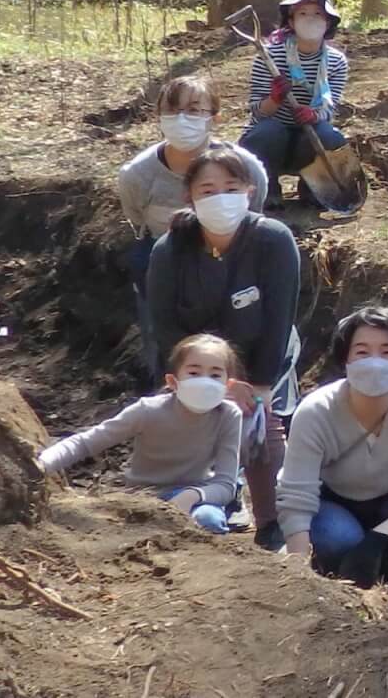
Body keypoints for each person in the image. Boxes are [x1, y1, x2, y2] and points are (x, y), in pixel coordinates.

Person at [145, 149, 302, 548]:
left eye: (231, 188)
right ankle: (199, 502)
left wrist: (260, 385)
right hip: (195, 362)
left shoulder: (273, 240)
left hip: (263, 355)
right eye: (208, 189)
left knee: (263, 426)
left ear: (250, 191)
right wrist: (209, 379)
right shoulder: (169, 250)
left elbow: (279, 320)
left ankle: (275, 521)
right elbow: (165, 326)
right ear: (190, 197)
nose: (220, 198)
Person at [277, 306, 388, 617]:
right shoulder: (315, 410)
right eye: (362, 352)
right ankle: (341, 589)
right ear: (345, 360)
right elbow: (296, 497)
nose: (375, 362)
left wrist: (377, 538)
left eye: (387, 352)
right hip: (335, 503)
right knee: (335, 540)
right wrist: (298, 574)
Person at [117, 75, 269, 375]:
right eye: (172, 111)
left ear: (215, 116)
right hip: (167, 260)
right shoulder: (137, 175)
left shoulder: (247, 168)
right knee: (165, 339)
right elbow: (137, 219)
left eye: (194, 110)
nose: (182, 119)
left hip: (233, 258)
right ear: (158, 117)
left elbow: (255, 213)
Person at [36, 333, 245, 535]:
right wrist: (43, 463)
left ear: (228, 386)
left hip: (195, 498)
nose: (205, 382)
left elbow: (225, 485)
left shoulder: (228, 415)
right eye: (194, 373)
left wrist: (192, 495)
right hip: (142, 498)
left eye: (215, 375)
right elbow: (87, 442)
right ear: (173, 382)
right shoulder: (148, 411)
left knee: (209, 520)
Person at [240, 0, 352, 209]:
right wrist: (275, 100)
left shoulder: (336, 62)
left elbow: (330, 107)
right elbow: (256, 110)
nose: (310, 19)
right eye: (302, 13)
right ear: (291, 22)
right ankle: (268, 189)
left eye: (317, 14)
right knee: (268, 132)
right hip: (271, 139)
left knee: (329, 135)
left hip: (308, 138)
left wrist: (314, 115)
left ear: (328, 22)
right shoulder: (270, 56)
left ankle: (314, 189)